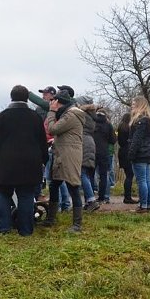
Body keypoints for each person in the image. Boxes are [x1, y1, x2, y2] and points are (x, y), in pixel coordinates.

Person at [0, 85, 48, 236]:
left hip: (6, 163)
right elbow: (42, 141)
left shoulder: (2, 116)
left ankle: (3, 228)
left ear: (11, 97)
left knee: (2, 193)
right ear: (27, 98)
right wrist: (44, 159)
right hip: (30, 163)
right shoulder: (35, 118)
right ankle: (26, 230)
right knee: (26, 195)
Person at [41, 88, 84, 232]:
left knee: (73, 186)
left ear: (60, 103)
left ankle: (77, 225)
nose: (52, 104)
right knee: (54, 185)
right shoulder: (68, 113)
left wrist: (51, 112)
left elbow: (52, 129)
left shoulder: (71, 115)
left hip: (69, 155)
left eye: (55, 103)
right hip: (61, 154)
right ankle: (51, 219)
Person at [128, 96, 150, 213]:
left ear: (139, 105)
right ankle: (148, 205)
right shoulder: (148, 119)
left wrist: (131, 154)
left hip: (140, 154)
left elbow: (136, 140)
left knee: (142, 181)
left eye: (134, 104)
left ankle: (143, 206)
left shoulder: (140, 120)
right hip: (147, 153)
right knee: (147, 180)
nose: (132, 106)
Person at [76, 98, 101, 212]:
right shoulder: (92, 115)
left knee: (82, 173)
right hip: (90, 142)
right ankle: (89, 201)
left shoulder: (82, 114)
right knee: (87, 173)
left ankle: (91, 200)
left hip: (83, 143)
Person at [92, 108, 116, 204]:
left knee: (90, 174)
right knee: (104, 175)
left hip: (92, 151)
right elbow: (113, 140)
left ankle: (90, 197)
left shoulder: (91, 122)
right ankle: (103, 197)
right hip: (104, 152)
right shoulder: (108, 124)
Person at [116, 113, 136, 204]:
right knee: (130, 175)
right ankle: (127, 197)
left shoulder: (120, 127)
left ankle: (127, 196)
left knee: (128, 175)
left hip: (122, 152)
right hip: (127, 152)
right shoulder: (129, 129)